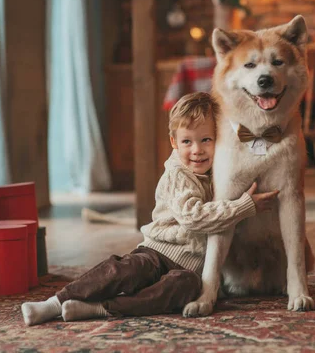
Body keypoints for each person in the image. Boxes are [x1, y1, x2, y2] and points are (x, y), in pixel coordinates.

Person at [21, 92, 279, 325]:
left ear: (219, 140)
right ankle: (53, 304)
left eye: (206, 139)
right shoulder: (178, 174)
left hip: (190, 269)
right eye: (187, 141)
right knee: (124, 270)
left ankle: (100, 308)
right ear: (174, 142)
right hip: (156, 252)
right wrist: (245, 206)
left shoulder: (220, 173)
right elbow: (193, 217)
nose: (197, 150)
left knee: (184, 287)